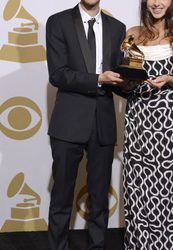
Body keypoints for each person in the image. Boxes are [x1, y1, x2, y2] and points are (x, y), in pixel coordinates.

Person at [45, 0, 126, 249]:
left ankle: (97, 246)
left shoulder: (117, 27)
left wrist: (133, 82)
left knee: (99, 195)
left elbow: (119, 75)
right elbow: (58, 74)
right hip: (69, 121)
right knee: (61, 195)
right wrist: (97, 79)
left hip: (102, 120)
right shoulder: (58, 22)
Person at [122, 0, 173, 249]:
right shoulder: (132, 34)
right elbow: (127, 75)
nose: (156, 2)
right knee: (138, 186)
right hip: (138, 119)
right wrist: (124, 81)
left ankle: (172, 244)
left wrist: (168, 79)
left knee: (169, 186)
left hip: (169, 123)